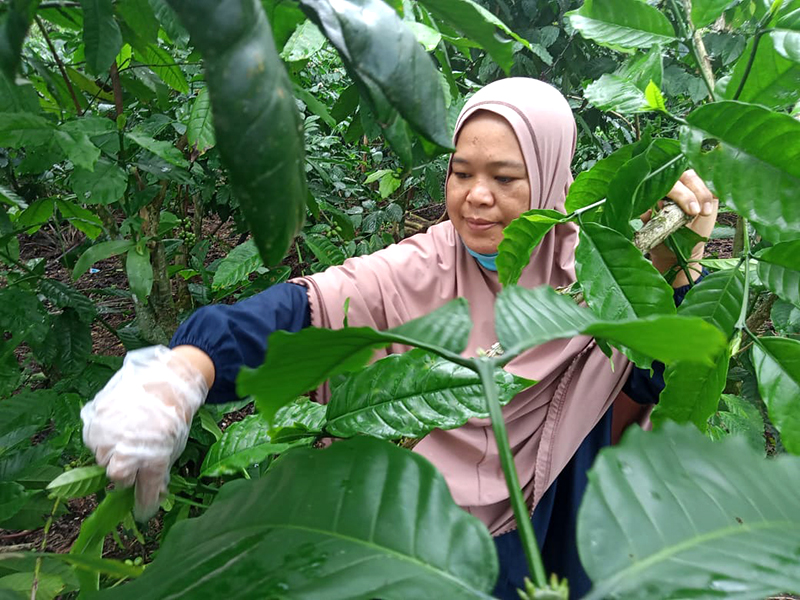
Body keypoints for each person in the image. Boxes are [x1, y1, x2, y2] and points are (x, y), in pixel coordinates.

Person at [81, 78, 717, 598]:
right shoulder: (422, 267)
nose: (476, 198)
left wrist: (676, 258)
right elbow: (301, 308)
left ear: (551, 178)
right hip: (429, 541)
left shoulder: (597, 266)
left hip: (560, 512)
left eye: (505, 178)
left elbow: (639, 372)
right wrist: (183, 373)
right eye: (461, 173)